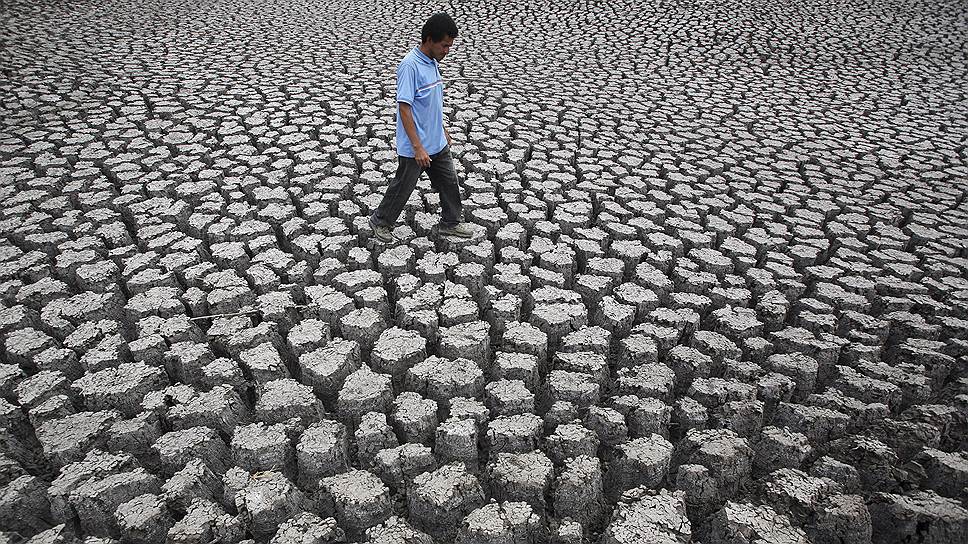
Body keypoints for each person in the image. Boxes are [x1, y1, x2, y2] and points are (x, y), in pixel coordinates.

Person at [369, 12, 474, 242]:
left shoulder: (432, 62)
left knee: (449, 183)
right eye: (444, 46)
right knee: (403, 187)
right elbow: (404, 109)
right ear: (429, 40)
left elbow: (430, 103)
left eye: (449, 46)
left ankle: (451, 222)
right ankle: (380, 221)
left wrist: (442, 128)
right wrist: (417, 147)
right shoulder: (410, 66)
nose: (447, 51)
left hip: (436, 141)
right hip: (415, 145)